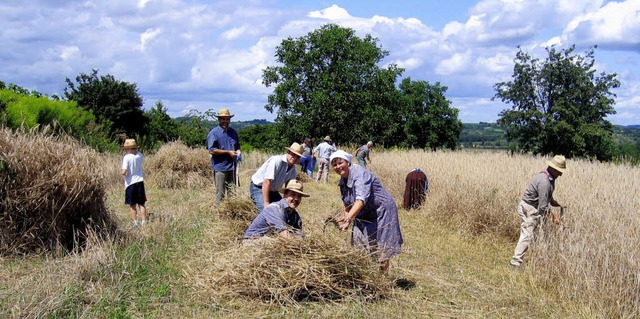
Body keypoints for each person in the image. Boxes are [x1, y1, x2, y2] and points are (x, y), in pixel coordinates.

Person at [330, 150, 403, 272]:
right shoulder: (342, 181)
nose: (338, 167)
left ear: (347, 162)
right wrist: (347, 220)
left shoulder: (360, 174)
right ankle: (364, 274)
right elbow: (348, 204)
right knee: (358, 242)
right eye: (334, 165)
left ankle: (382, 278)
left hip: (382, 211)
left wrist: (349, 218)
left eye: (340, 163)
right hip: (363, 212)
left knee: (382, 246)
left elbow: (360, 200)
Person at [509, 155, 566, 268]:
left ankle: (538, 259)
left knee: (539, 233)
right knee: (527, 235)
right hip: (530, 208)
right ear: (553, 169)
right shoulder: (545, 181)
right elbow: (543, 206)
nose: (561, 174)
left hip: (531, 206)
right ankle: (515, 263)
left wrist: (554, 202)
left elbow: (545, 197)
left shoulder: (547, 177)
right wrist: (554, 217)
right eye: (559, 171)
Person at [243, 179, 310, 243]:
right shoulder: (275, 209)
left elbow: (298, 235)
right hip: (253, 241)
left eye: (299, 196)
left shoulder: (295, 216)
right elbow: (284, 235)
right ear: (285, 195)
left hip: (270, 239)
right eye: (293, 194)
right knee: (277, 243)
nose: (296, 199)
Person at [250, 142, 303, 213]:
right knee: (266, 212)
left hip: (273, 191)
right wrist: (266, 202)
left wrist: (289, 203)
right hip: (259, 187)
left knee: (283, 210)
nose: (295, 158)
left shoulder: (293, 170)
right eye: (293, 154)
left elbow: (290, 189)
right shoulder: (277, 161)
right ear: (288, 152)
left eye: (298, 156)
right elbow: (266, 182)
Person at [207, 108, 241, 204]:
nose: (225, 121)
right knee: (220, 193)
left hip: (233, 167)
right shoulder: (213, 133)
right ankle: (219, 215)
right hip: (220, 168)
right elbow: (212, 150)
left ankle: (231, 213)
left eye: (227, 119)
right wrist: (228, 152)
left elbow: (237, 147)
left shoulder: (233, 132)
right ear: (219, 120)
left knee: (233, 192)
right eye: (223, 119)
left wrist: (238, 152)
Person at [121, 139, 148, 227]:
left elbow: (124, 171)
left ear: (129, 148)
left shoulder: (126, 157)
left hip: (130, 183)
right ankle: (144, 221)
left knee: (132, 204)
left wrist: (122, 173)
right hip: (140, 181)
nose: (125, 150)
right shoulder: (140, 155)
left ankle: (135, 223)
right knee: (141, 203)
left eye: (126, 148)